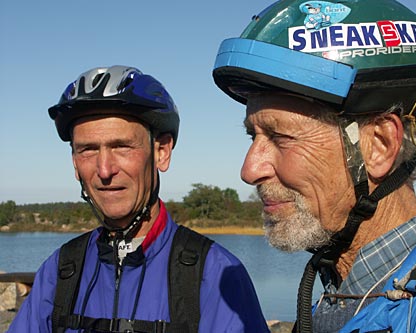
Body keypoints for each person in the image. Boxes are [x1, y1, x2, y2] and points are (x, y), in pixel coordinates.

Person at [212, 0, 416, 332]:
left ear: (378, 145)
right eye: (253, 137)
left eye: (280, 137)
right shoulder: (347, 293)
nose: (249, 170)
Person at [8, 65, 269, 333]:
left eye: (121, 146)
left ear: (162, 152)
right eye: (88, 150)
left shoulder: (215, 275)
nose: (105, 170)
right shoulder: (60, 271)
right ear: (75, 163)